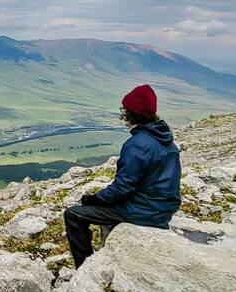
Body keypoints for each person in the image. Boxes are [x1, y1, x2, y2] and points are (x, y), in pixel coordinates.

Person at [64, 84, 181, 268]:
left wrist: (94, 199)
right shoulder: (167, 142)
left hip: (143, 212)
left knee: (74, 215)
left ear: (133, 113)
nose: (123, 114)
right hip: (163, 210)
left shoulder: (137, 145)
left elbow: (123, 187)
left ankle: (85, 267)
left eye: (125, 110)